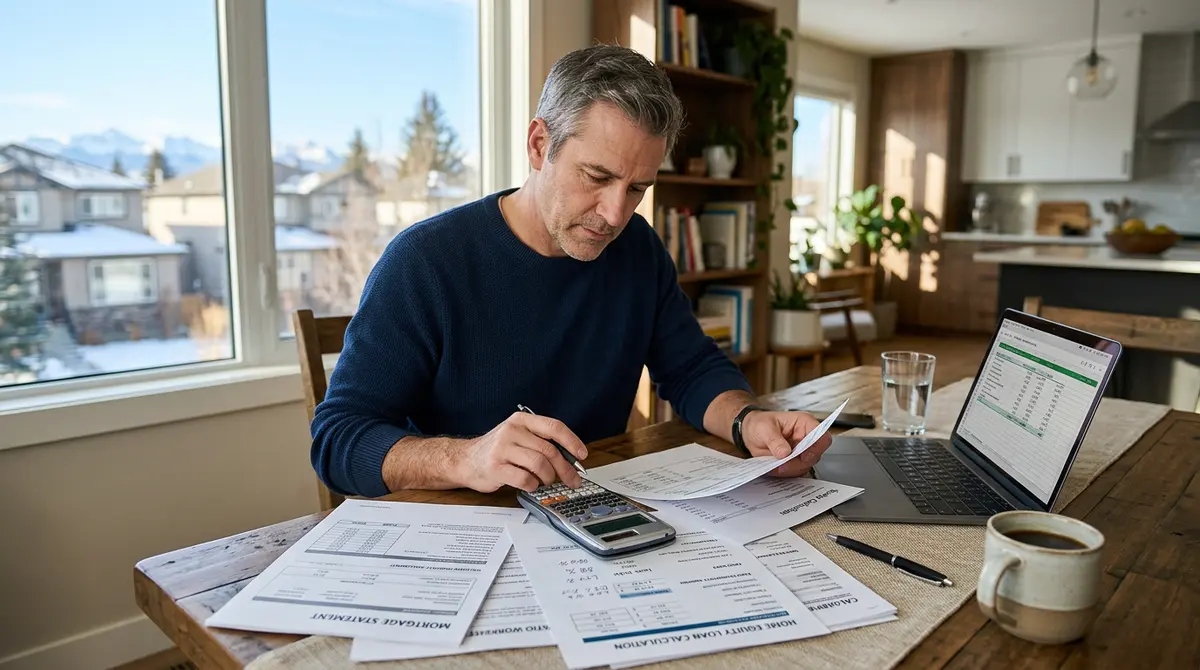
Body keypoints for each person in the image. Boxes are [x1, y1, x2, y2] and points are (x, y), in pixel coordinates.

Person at [310, 44, 833, 499]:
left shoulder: (637, 250)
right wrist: (467, 459)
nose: (615, 214)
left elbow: (692, 369)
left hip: (594, 510)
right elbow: (337, 440)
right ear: (540, 145)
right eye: (597, 176)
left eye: (637, 189)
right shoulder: (425, 262)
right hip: (460, 528)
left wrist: (748, 421)